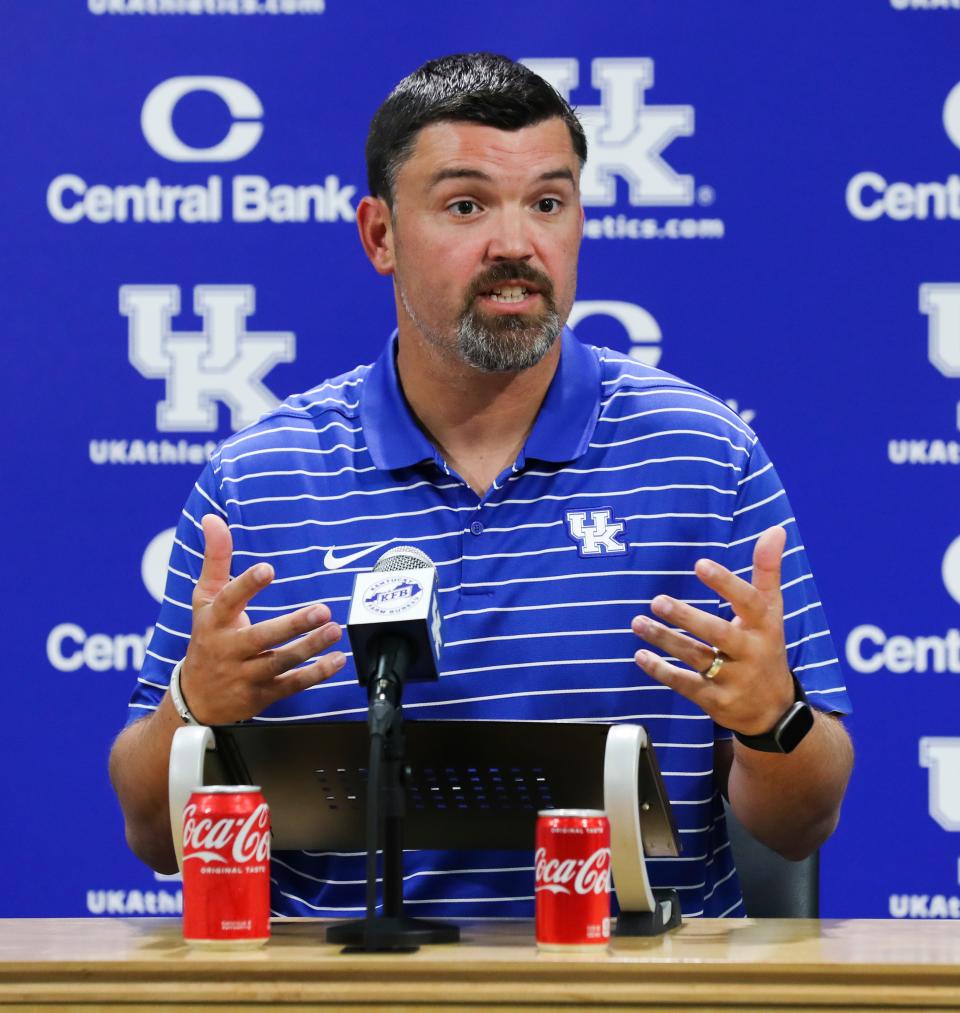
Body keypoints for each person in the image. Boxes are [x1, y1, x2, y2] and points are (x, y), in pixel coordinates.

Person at [110, 53, 853, 920]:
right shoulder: (261, 480)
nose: (516, 243)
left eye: (549, 202)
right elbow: (150, 834)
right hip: (337, 990)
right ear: (379, 235)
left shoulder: (705, 456)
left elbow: (803, 822)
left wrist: (773, 721)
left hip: (641, 983)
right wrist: (193, 706)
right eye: (466, 205)